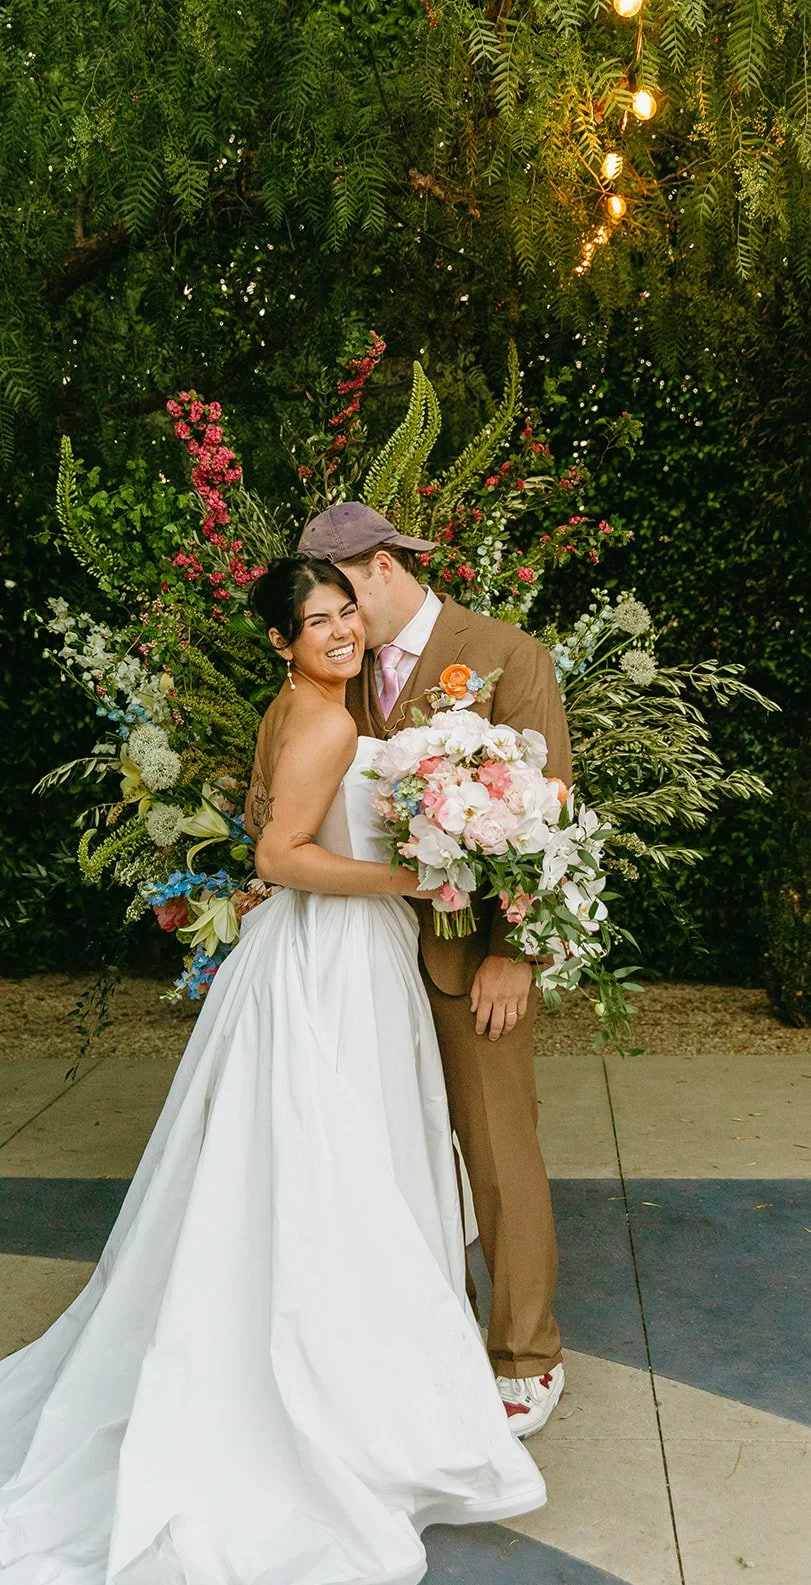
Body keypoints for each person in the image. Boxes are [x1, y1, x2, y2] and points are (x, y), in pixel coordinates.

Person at [0, 556, 545, 1585]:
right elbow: (281, 855)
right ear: (281, 642)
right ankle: (345, 1404)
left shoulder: (295, 708)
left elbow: (258, 827)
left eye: (344, 613)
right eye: (314, 622)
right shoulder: (327, 720)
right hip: (332, 957)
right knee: (339, 1163)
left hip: (317, 954)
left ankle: (345, 1373)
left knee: (311, 1162)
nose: (337, 631)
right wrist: (410, 874)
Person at [298, 503, 572, 1440]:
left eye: (339, 596)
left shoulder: (504, 654)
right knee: (388, 1156)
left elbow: (550, 820)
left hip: (470, 963)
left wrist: (514, 953)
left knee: (497, 1155)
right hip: (361, 959)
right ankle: (428, 1339)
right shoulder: (336, 670)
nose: (330, 619)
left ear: (378, 568)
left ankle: (527, 1357)